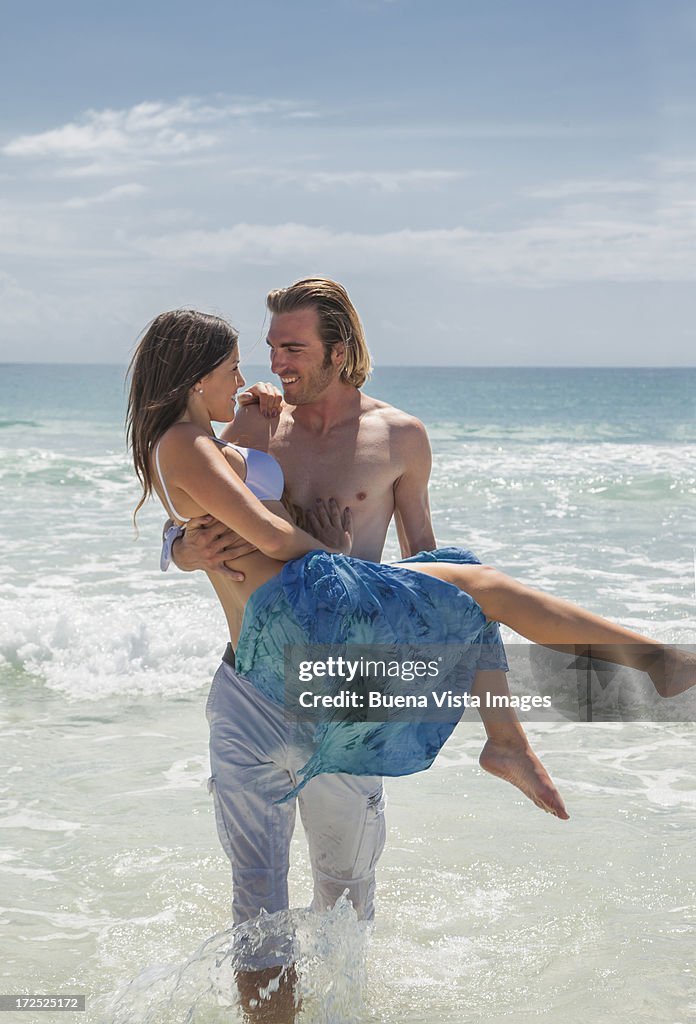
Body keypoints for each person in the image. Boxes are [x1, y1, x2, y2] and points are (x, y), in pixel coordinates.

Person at [129, 304, 693, 1017]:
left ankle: (521, 734)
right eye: (250, 357)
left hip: (333, 659)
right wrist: (185, 547)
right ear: (196, 373)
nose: (266, 368)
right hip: (292, 637)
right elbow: (248, 528)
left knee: (316, 904)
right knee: (478, 587)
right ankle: (644, 670)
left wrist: (204, 520)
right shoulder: (198, 439)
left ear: (340, 352)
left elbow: (214, 510)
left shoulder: (361, 436)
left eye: (288, 347)